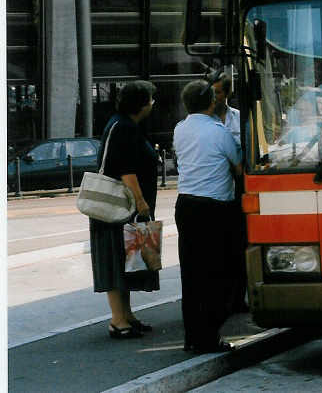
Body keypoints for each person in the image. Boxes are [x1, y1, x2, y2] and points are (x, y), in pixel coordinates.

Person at [174, 80, 242, 353]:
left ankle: (193, 335)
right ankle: (209, 334)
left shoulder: (180, 129)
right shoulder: (219, 131)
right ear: (211, 102)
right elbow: (238, 168)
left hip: (186, 205)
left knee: (191, 275)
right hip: (215, 208)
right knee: (219, 273)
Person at [90, 80, 158, 340]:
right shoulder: (125, 127)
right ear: (142, 103)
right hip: (119, 209)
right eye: (151, 99)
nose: (153, 104)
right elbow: (126, 170)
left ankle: (127, 315)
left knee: (127, 261)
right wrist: (141, 202)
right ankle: (118, 320)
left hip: (120, 208)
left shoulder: (122, 124)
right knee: (118, 260)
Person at [210, 73, 248, 314]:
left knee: (240, 246)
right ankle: (222, 298)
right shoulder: (204, 121)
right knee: (219, 249)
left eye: (219, 93)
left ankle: (238, 298)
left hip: (239, 187)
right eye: (211, 93)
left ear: (227, 94)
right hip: (217, 190)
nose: (215, 98)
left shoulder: (239, 118)